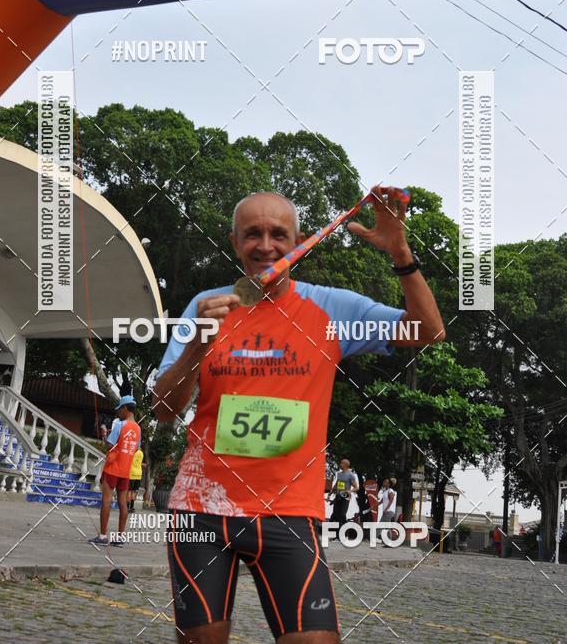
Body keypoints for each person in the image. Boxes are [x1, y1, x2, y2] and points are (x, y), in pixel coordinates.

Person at [153, 188, 445, 643]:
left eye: (277, 234)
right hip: (201, 511)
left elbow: (428, 331)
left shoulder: (332, 309)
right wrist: (197, 345)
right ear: (235, 242)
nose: (265, 245)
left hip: (289, 513)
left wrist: (401, 253)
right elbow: (164, 411)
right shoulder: (205, 307)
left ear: (299, 241)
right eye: (252, 234)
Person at [89, 395, 141, 547]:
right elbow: (136, 448)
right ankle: (119, 538)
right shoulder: (138, 428)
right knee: (123, 504)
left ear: (125, 409)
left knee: (106, 500)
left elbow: (109, 445)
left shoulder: (119, 424)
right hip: (126, 471)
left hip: (113, 468)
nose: (118, 413)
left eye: (119, 409)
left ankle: (103, 536)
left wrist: (104, 433)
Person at [329, 458, 359, 534]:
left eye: (341, 463)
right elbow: (337, 484)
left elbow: (356, 487)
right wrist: (331, 491)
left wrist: (350, 490)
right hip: (338, 496)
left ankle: (344, 533)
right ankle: (337, 534)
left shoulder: (350, 475)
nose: (340, 464)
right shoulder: (339, 474)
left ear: (346, 465)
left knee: (342, 515)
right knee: (335, 514)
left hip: (346, 497)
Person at [128, 446, 145, 512]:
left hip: (131, 473)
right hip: (138, 474)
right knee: (134, 491)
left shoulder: (132, 452)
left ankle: (127, 506)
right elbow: (143, 464)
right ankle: (132, 507)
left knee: (129, 491)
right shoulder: (141, 453)